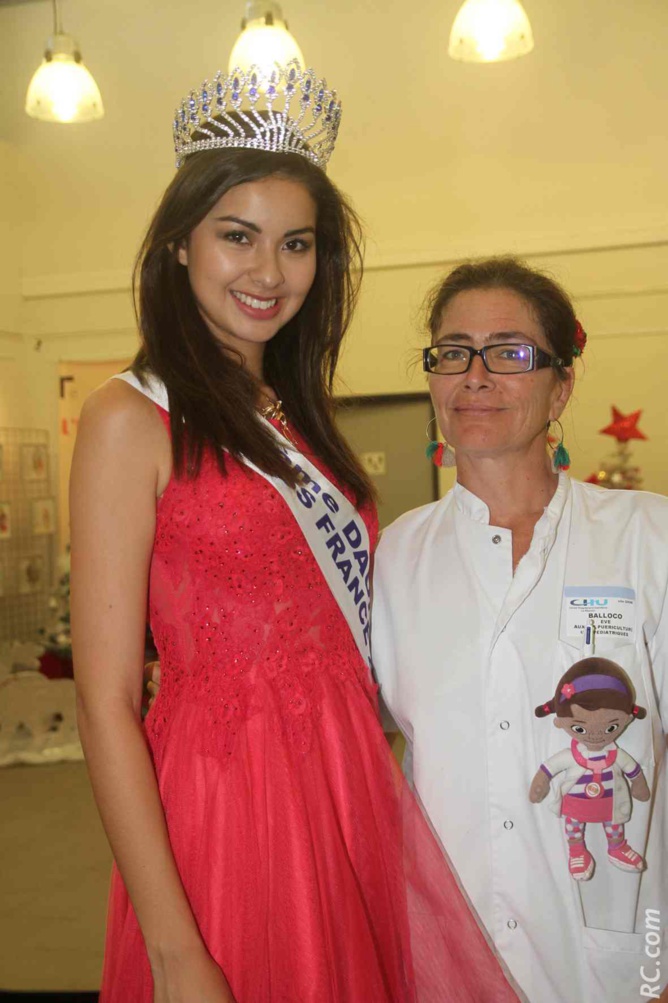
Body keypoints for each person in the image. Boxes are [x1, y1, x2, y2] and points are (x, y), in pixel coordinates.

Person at [70, 65, 519, 1003]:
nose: (269, 272)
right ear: (177, 245)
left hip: (346, 775)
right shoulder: (131, 416)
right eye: (238, 236)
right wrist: (174, 949)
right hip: (231, 801)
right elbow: (105, 696)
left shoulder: (298, 414)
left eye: (297, 244)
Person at [371, 256, 668, 1003]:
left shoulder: (646, 538)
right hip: (442, 954)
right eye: (452, 352)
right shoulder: (397, 554)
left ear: (560, 383)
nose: (475, 375)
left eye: (509, 352)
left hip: (615, 963)